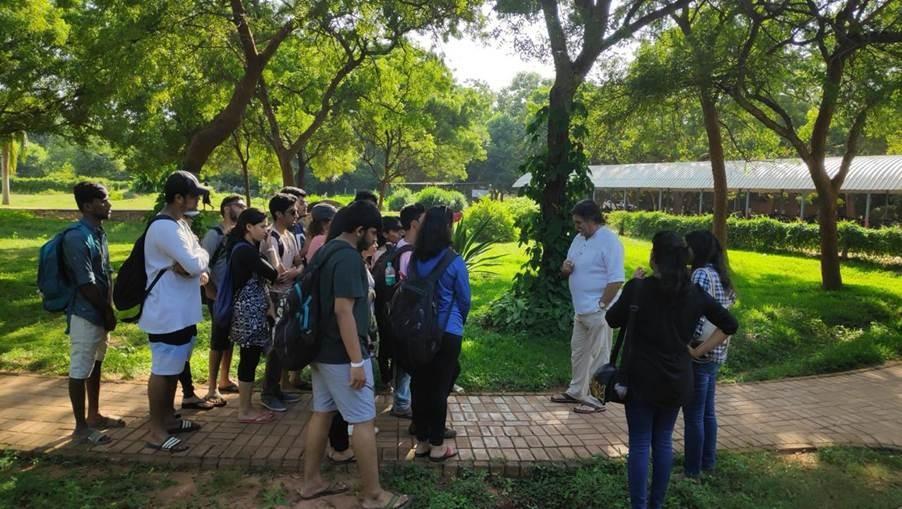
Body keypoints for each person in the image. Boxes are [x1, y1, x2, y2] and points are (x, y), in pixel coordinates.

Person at [606, 231, 738, 509]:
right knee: (663, 441)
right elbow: (730, 324)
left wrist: (633, 285)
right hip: (677, 379)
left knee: (640, 443)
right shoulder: (694, 293)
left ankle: (639, 505)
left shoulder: (639, 288)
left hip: (640, 378)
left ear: (654, 257)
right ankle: (657, 504)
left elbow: (612, 319)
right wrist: (697, 351)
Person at [300, 201, 408, 509]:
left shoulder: (325, 250)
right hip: (343, 354)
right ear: (359, 230)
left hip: (321, 350)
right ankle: (373, 495)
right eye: (372, 233)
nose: (375, 239)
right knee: (362, 420)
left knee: (322, 413)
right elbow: (343, 311)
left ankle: (311, 482)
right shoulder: (347, 257)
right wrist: (357, 361)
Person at [140, 171, 211, 452]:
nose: (198, 200)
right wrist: (197, 259)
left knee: (174, 368)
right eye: (194, 195)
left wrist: (196, 259)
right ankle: (156, 432)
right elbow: (195, 263)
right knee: (163, 370)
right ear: (178, 198)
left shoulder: (179, 224)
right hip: (166, 312)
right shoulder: (165, 227)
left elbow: (196, 260)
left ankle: (168, 419)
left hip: (180, 311)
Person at [63, 182, 124, 445]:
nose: (109, 204)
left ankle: (94, 415)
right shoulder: (77, 237)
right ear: (87, 205)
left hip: (100, 312)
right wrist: (106, 311)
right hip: (85, 313)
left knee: (96, 363)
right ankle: (80, 428)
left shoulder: (98, 232)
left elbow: (103, 274)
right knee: (80, 368)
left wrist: (108, 310)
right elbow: (85, 283)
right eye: (103, 200)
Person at [409, 207, 471, 462]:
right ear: (447, 228)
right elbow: (464, 299)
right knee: (439, 387)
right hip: (448, 332)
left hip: (418, 331)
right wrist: (458, 322)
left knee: (419, 384)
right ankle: (437, 446)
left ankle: (421, 443)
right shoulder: (454, 260)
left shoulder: (415, 259)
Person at [552, 199, 624, 414]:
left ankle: (596, 398)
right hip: (581, 310)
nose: (577, 227)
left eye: (579, 222)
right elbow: (569, 266)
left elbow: (616, 280)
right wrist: (565, 269)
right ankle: (576, 391)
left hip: (599, 310)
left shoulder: (609, 241)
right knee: (579, 353)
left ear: (592, 219)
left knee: (600, 356)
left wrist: (602, 305)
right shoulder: (579, 239)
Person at [682, 230, 737, 478]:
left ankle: (692, 470)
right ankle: (707, 462)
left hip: (699, 351)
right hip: (716, 350)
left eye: (687, 247)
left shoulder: (701, 275)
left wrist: (690, 347)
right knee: (707, 412)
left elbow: (696, 313)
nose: (684, 251)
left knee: (694, 415)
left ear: (697, 250)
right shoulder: (719, 274)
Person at [226, 207, 280, 424]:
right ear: (248, 227)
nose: (266, 230)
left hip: (252, 310)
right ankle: (244, 409)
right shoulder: (246, 251)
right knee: (248, 359)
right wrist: (270, 249)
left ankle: (246, 406)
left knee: (250, 358)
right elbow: (274, 273)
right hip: (248, 313)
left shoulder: (245, 248)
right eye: (262, 226)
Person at [258, 193, 304, 412]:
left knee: (285, 343)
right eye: (291, 212)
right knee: (276, 346)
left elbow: (299, 263)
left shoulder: (291, 235)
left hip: (289, 294)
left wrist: (296, 271)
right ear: (278, 214)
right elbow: (278, 270)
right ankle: (268, 392)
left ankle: (276, 388)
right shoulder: (271, 237)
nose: (296, 215)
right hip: (274, 296)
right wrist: (293, 271)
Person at [201, 195, 247, 406]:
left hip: (232, 294)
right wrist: (210, 290)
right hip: (218, 295)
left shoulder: (238, 234)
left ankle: (224, 379)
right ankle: (211, 388)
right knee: (218, 340)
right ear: (227, 209)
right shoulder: (215, 234)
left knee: (229, 339)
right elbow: (202, 265)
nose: (243, 208)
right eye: (239, 206)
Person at [388, 203, 426, 419]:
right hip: (407, 313)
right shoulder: (408, 253)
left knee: (403, 356)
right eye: (423, 220)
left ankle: (403, 400)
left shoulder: (400, 247)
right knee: (406, 357)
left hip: (399, 312)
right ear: (414, 224)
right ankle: (402, 403)